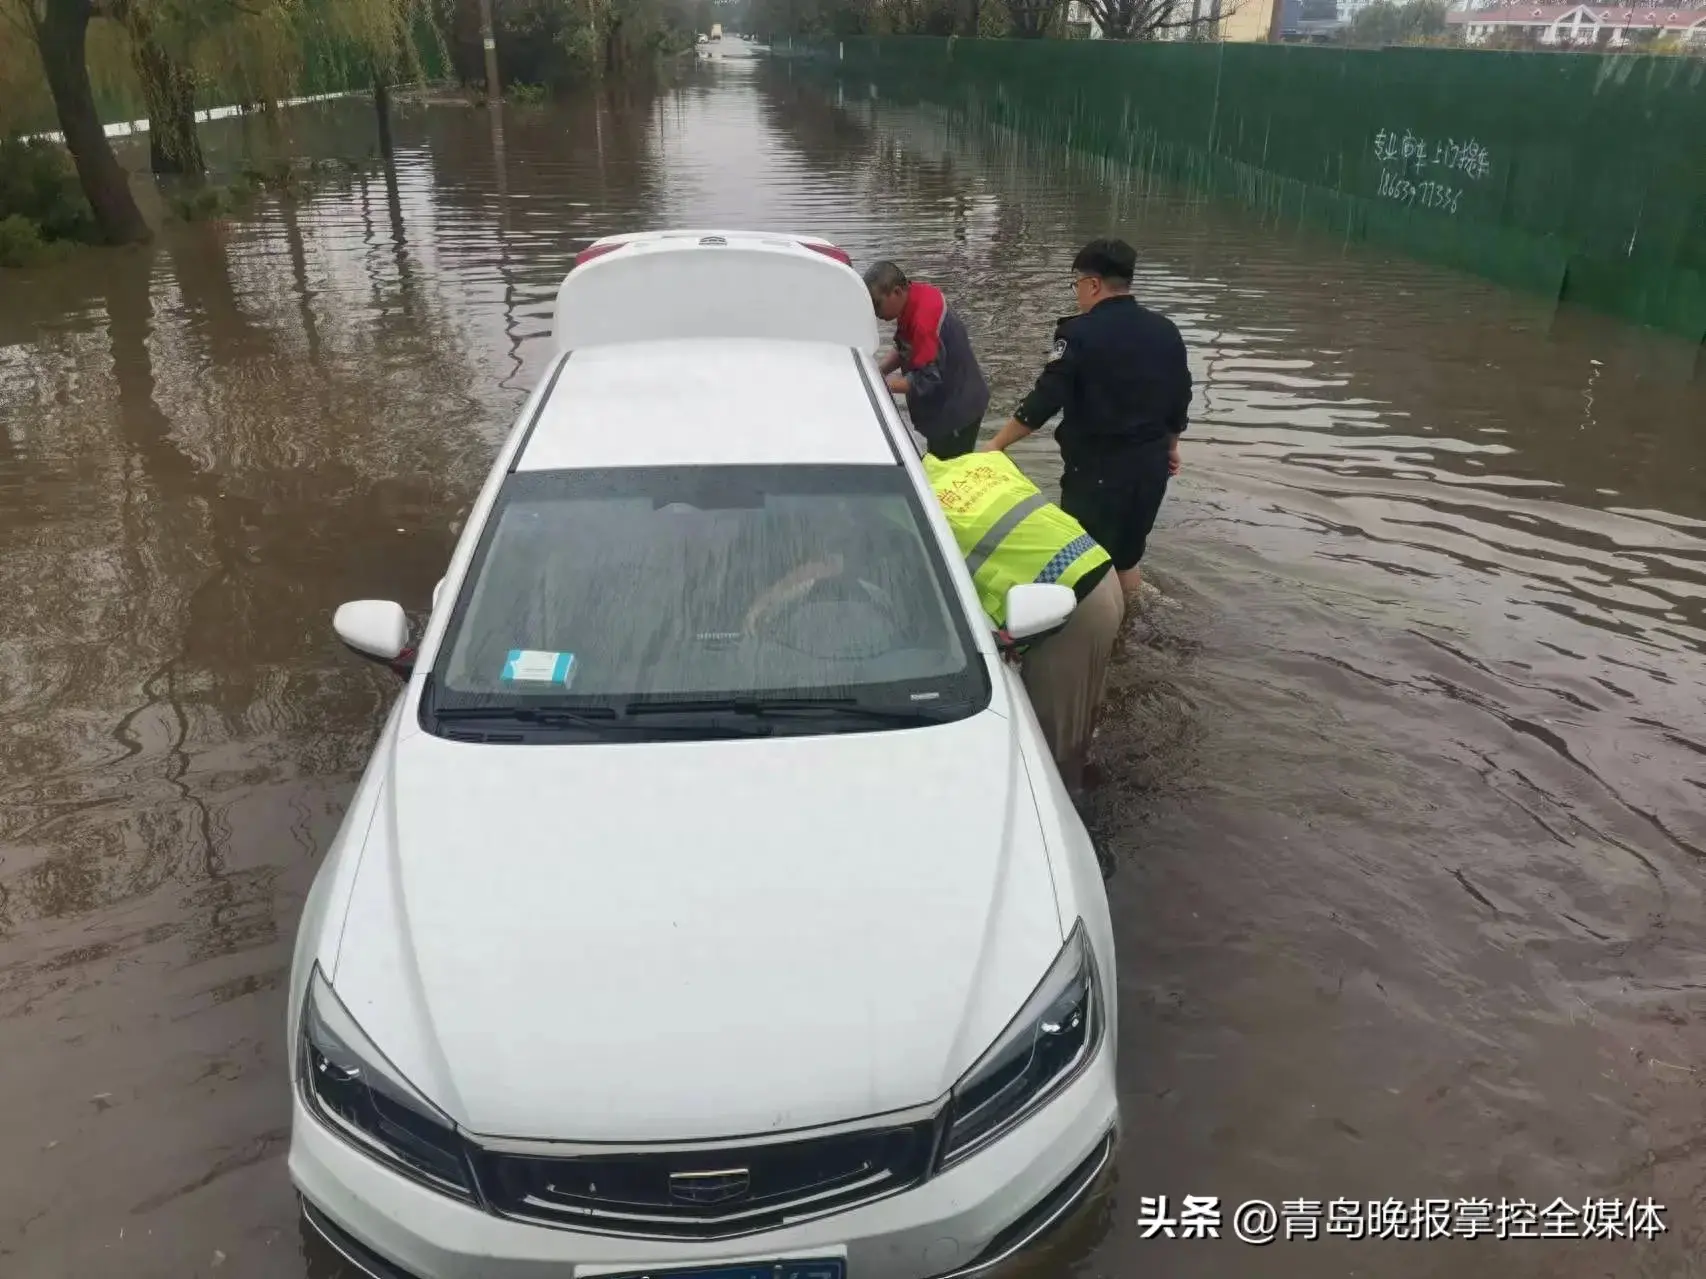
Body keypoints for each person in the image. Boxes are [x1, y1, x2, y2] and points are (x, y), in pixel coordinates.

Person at [982, 237, 1192, 599]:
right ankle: (1130, 631)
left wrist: (997, 444)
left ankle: (1101, 644)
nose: (1077, 292)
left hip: (1098, 475)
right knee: (1126, 559)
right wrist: (1171, 446)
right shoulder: (1166, 331)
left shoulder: (1079, 334)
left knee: (1083, 562)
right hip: (1150, 471)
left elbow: (1046, 398)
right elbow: (1179, 397)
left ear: (1093, 284)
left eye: (1077, 283)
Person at [923, 449, 1123, 801]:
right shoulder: (982, 462)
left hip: (1067, 610)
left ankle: (1077, 819)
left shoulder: (910, 510)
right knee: (1085, 714)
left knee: (1055, 758)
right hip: (1101, 571)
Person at [865, 261, 991, 460]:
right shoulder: (914, 297)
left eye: (877, 304)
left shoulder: (924, 321)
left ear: (896, 292)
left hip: (956, 413)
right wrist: (879, 371)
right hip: (950, 402)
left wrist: (882, 385)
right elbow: (905, 348)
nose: (875, 313)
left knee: (947, 472)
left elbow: (927, 379)